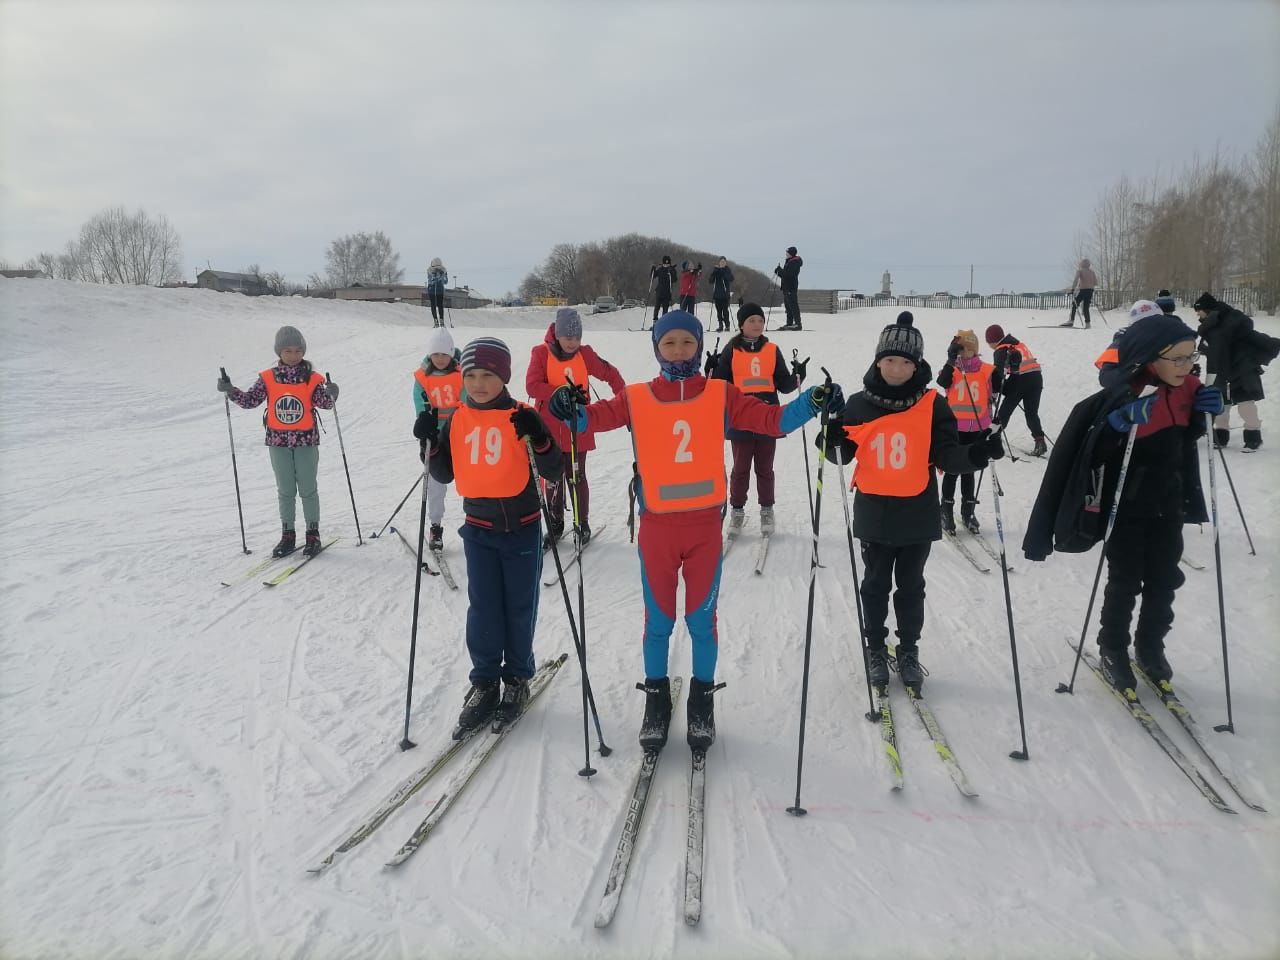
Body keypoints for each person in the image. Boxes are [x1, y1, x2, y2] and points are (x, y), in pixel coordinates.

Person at [545, 310, 840, 751]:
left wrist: (812, 401)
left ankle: (702, 700)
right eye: (669, 343)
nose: (679, 351)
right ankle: (656, 699)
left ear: (700, 346)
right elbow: (591, 419)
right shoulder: (636, 396)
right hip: (658, 529)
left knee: (702, 621)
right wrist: (565, 407)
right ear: (657, 348)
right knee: (658, 622)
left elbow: (772, 421)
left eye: (687, 342)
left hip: (703, 527)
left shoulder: (722, 393)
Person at [1022, 311, 1222, 692]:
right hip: (1126, 507)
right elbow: (1089, 454)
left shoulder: (1190, 389)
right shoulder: (1123, 394)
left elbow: (1185, 439)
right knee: (1125, 580)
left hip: (1169, 503)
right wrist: (1115, 425)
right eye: (1177, 359)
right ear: (1149, 359)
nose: (1186, 366)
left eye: (1190, 357)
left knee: (1165, 579)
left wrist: (1205, 414)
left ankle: (1150, 646)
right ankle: (1113, 646)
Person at [820, 312, 1002, 693]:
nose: (897, 368)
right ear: (877, 361)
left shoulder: (933, 405)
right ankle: (874, 647)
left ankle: (907, 649)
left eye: (905, 361)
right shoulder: (858, 403)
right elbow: (840, 455)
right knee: (873, 584)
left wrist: (977, 454)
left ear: (917, 364)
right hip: (874, 512)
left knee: (910, 585)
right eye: (889, 360)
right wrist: (830, 437)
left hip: (917, 512)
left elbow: (948, 456)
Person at [414, 337, 564, 736]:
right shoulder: (458, 418)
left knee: (518, 607)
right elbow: (444, 473)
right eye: (472, 376)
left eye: (488, 376)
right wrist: (428, 443)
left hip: (522, 528)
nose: (479, 384)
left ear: (504, 377)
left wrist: (542, 437)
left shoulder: (521, 414)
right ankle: (484, 682)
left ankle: (516, 679)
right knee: (482, 608)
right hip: (478, 531)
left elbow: (553, 469)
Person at [217, 325, 337, 558]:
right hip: (278, 442)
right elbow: (251, 400)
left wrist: (332, 392)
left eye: (298, 350)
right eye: (288, 351)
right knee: (285, 490)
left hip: (306, 442)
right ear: (279, 353)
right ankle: (288, 533)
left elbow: (325, 403)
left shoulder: (311, 378)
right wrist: (230, 389)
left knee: (308, 488)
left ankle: (313, 533)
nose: (293, 356)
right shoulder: (268, 378)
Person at [525, 307, 626, 549]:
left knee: (576, 476)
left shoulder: (585, 354)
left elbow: (610, 373)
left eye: (577, 337)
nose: (573, 343)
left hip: (577, 427)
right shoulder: (541, 353)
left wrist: (624, 399)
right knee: (552, 478)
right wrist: (559, 393)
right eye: (568, 337)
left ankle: (582, 522)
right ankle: (556, 522)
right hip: (549, 428)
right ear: (557, 335)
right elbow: (532, 386)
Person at [706, 302, 802, 537]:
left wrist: (798, 375)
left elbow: (785, 385)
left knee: (765, 468)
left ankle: (767, 510)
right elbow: (717, 385)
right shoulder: (731, 349)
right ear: (741, 325)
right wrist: (710, 369)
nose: (757, 324)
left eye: (760, 320)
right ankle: (737, 511)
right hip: (739, 416)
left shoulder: (772, 349)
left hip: (768, 415)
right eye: (752, 321)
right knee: (740, 468)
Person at [1193, 292, 1278, 451]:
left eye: (1199, 310)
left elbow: (1245, 337)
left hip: (1240, 368)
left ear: (1208, 309)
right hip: (1220, 370)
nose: (1197, 314)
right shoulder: (1211, 325)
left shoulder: (1228, 322)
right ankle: (1221, 437)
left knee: (1245, 403)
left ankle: (1253, 438)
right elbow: (1213, 347)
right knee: (1222, 406)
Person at [934, 329, 995, 534]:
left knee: (969, 471)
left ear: (975, 350)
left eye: (968, 349)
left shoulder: (986, 370)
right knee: (952, 471)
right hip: (954, 429)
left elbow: (999, 389)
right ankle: (946, 510)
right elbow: (942, 382)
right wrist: (951, 360)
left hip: (977, 428)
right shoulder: (952, 370)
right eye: (961, 349)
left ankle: (968, 510)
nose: (964, 353)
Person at [413, 326, 464, 552]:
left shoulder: (462, 373)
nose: (440, 358)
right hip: (434, 437)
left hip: (458, 433)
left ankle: (476, 520)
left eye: (444, 354)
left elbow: (466, 400)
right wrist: (425, 422)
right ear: (430, 355)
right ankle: (435, 526)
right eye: (436, 354)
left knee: (468, 478)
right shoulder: (423, 377)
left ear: (451, 354)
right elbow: (420, 401)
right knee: (436, 484)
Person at [985, 324, 1049, 456]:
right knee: (1031, 412)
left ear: (992, 341)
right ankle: (1040, 441)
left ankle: (994, 437)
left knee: (1005, 411)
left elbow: (998, 375)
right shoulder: (1018, 343)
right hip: (1036, 377)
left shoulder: (1001, 350)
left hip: (1020, 380)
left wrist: (994, 393)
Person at [775, 246, 803, 330]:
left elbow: (789, 275)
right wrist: (778, 272)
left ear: (791, 253)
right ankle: (789, 323)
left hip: (791, 287)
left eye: (787, 252)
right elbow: (785, 276)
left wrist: (780, 270)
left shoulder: (794, 262)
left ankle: (798, 324)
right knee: (788, 306)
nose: (786, 254)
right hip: (786, 287)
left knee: (793, 305)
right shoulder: (789, 262)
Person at [1068, 258, 1097, 328]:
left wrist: (1072, 289)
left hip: (1083, 290)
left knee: (1074, 304)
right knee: (1086, 307)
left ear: (1082, 264)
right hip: (1090, 290)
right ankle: (1088, 323)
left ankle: (1071, 321)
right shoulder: (1092, 272)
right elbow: (1096, 282)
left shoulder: (1080, 271)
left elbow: (1076, 280)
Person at [708, 257, 734, 332]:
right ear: (719, 262)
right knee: (719, 311)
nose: (722, 263)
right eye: (721, 261)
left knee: (725, 311)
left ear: (726, 263)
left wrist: (723, 272)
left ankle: (727, 325)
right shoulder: (716, 270)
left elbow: (731, 278)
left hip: (725, 295)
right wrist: (714, 272)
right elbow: (710, 281)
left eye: (724, 261)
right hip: (717, 295)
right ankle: (720, 325)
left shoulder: (727, 270)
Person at [650, 256, 677, 324]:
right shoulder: (660, 269)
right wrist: (653, 268)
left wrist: (672, 271)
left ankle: (663, 322)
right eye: (665, 264)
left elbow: (674, 279)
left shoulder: (671, 269)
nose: (666, 265)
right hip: (659, 291)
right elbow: (652, 276)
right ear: (663, 263)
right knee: (657, 307)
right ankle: (655, 321)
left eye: (667, 264)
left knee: (665, 308)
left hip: (667, 293)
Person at [426, 258, 448, 326]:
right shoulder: (429, 271)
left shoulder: (444, 271)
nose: (436, 269)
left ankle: (441, 320)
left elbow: (445, 281)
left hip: (440, 290)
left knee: (440, 305)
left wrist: (442, 276)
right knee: (433, 305)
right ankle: (435, 320)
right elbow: (430, 281)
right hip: (432, 291)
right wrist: (435, 276)